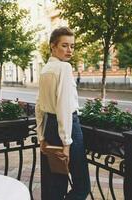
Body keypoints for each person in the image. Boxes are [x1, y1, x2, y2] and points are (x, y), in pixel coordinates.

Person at [35, 27, 90, 200]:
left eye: (72, 46)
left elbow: (39, 106)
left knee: (55, 185)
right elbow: (64, 108)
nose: (70, 50)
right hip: (68, 129)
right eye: (65, 45)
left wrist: (41, 137)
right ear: (53, 46)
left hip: (50, 128)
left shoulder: (45, 70)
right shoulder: (64, 68)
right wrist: (67, 143)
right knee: (82, 186)